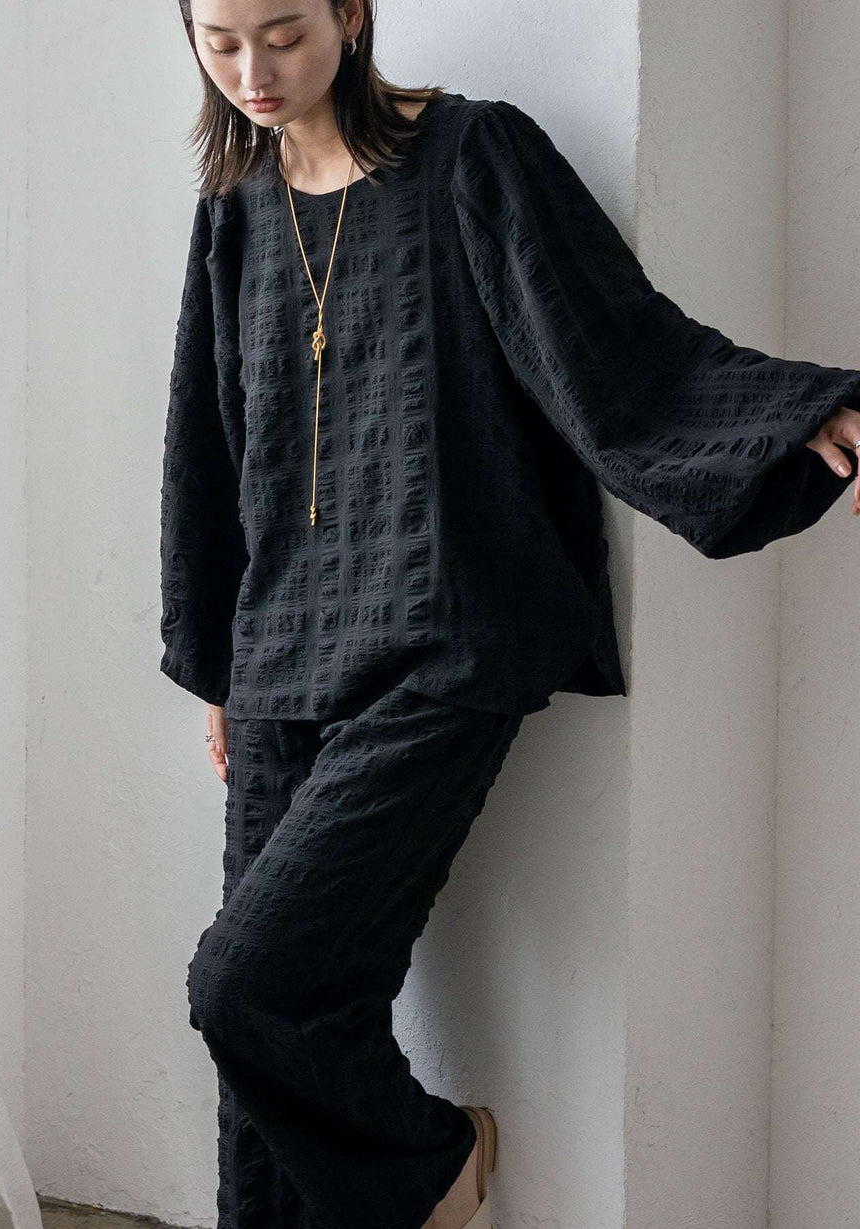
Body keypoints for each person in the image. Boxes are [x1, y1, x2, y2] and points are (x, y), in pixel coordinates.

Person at [161, 2, 860, 1226]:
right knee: (280, 1024)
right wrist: (216, 657)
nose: (252, 70)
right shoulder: (233, 206)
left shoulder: (470, 152)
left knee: (244, 982)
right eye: (220, 42)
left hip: (444, 634)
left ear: (349, 14)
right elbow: (209, 441)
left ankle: (435, 1163)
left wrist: (793, 416)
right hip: (278, 651)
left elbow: (612, 342)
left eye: (282, 33)